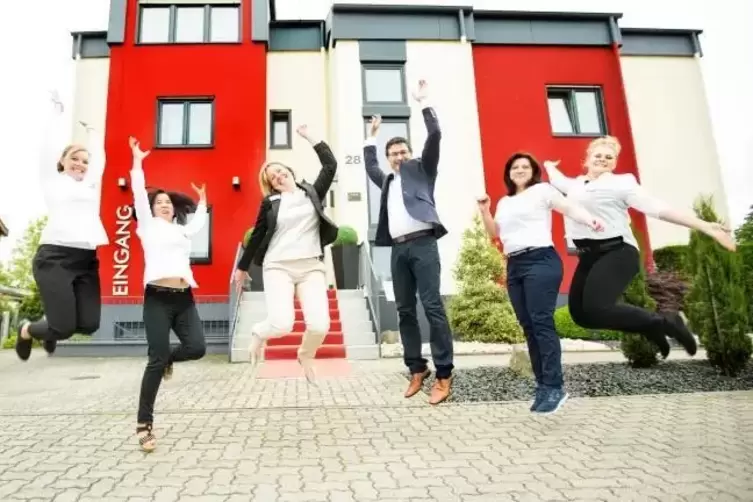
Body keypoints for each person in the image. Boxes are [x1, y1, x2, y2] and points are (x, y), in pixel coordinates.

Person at [544, 135, 735, 359]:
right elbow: (558, 180)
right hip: (588, 256)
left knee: (597, 307)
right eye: (598, 155)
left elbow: (657, 208)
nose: (603, 159)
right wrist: (549, 166)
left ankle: (664, 322)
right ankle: (650, 327)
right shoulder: (575, 185)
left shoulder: (622, 183)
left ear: (614, 163)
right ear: (586, 159)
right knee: (582, 316)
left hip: (617, 252)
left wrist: (705, 227)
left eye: (609, 157)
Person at [477, 152, 604, 414]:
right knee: (528, 326)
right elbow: (494, 233)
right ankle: (542, 386)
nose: (520, 170)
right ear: (509, 173)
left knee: (541, 321)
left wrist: (590, 220)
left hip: (540, 260)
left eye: (525, 166)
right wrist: (484, 210)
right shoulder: (505, 202)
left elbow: (568, 207)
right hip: (514, 264)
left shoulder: (542, 190)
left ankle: (555, 387)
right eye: (515, 167)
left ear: (532, 171)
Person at [362, 80, 454, 405]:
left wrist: (424, 102)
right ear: (389, 159)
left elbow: (436, 136)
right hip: (398, 249)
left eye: (403, 152)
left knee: (432, 307)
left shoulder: (423, 171)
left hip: (424, 245)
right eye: (394, 154)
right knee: (404, 310)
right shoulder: (386, 180)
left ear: (411, 155)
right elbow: (369, 164)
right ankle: (417, 368)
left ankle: (444, 373)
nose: (398, 157)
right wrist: (372, 137)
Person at [233, 124, 338, 384]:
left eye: (280, 171)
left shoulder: (312, 192)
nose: (278, 177)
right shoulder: (270, 203)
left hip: (311, 267)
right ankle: (259, 333)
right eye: (273, 178)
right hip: (278, 266)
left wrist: (311, 136)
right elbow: (257, 236)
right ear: (271, 185)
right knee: (281, 324)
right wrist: (242, 267)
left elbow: (330, 165)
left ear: (290, 172)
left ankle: (305, 354)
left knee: (320, 325)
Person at [129, 136, 208, 452]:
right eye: (159, 201)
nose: (164, 204)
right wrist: (137, 162)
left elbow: (198, 223)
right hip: (158, 298)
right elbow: (138, 192)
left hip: (184, 297)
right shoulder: (147, 227)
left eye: (167, 202)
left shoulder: (181, 230)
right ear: (151, 209)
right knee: (155, 358)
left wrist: (202, 201)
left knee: (198, 348)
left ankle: (167, 361)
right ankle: (144, 425)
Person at [15, 91, 108, 361]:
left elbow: (99, 160)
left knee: (89, 325)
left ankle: (51, 325)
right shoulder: (51, 182)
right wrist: (55, 114)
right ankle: (28, 330)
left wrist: (93, 132)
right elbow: (45, 149)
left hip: (86, 260)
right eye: (74, 159)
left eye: (84, 161)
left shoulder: (90, 185)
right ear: (62, 162)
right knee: (63, 328)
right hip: (54, 258)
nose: (80, 164)